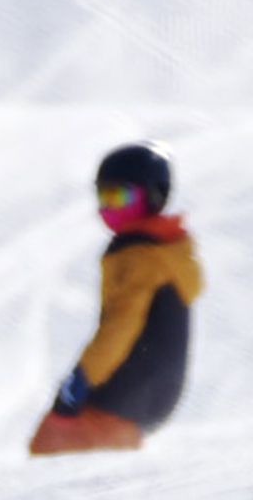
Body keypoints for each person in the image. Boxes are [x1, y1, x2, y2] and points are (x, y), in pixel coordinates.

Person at [30, 142, 204, 456]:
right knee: (86, 450)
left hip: (127, 391)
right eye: (104, 197)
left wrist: (81, 380)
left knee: (53, 442)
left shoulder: (141, 257)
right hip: (155, 392)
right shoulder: (163, 250)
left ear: (154, 196)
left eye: (121, 197)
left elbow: (121, 326)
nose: (109, 208)